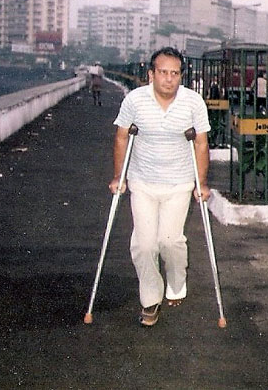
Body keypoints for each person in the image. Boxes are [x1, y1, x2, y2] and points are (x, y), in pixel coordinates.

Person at [110, 47, 211, 327]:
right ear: (151, 74)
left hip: (179, 183)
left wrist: (201, 183)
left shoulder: (193, 102)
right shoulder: (135, 100)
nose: (169, 79)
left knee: (169, 240)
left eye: (175, 73)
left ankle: (177, 283)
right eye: (163, 72)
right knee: (143, 245)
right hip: (142, 182)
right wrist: (120, 177)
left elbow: (201, 143)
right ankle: (150, 300)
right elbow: (121, 138)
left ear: (181, 76)